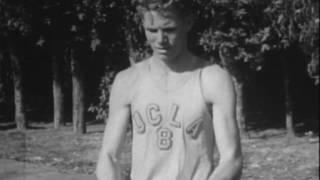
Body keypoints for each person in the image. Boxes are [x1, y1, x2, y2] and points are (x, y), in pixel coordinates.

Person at [96, 0, 243, 180]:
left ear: (188, 23)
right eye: (152, 30)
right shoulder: (127, 80)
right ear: (142, 24)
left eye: (169, 30)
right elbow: (109, 156)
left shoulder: (212, 79)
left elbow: (231, 159)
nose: (160, 40)